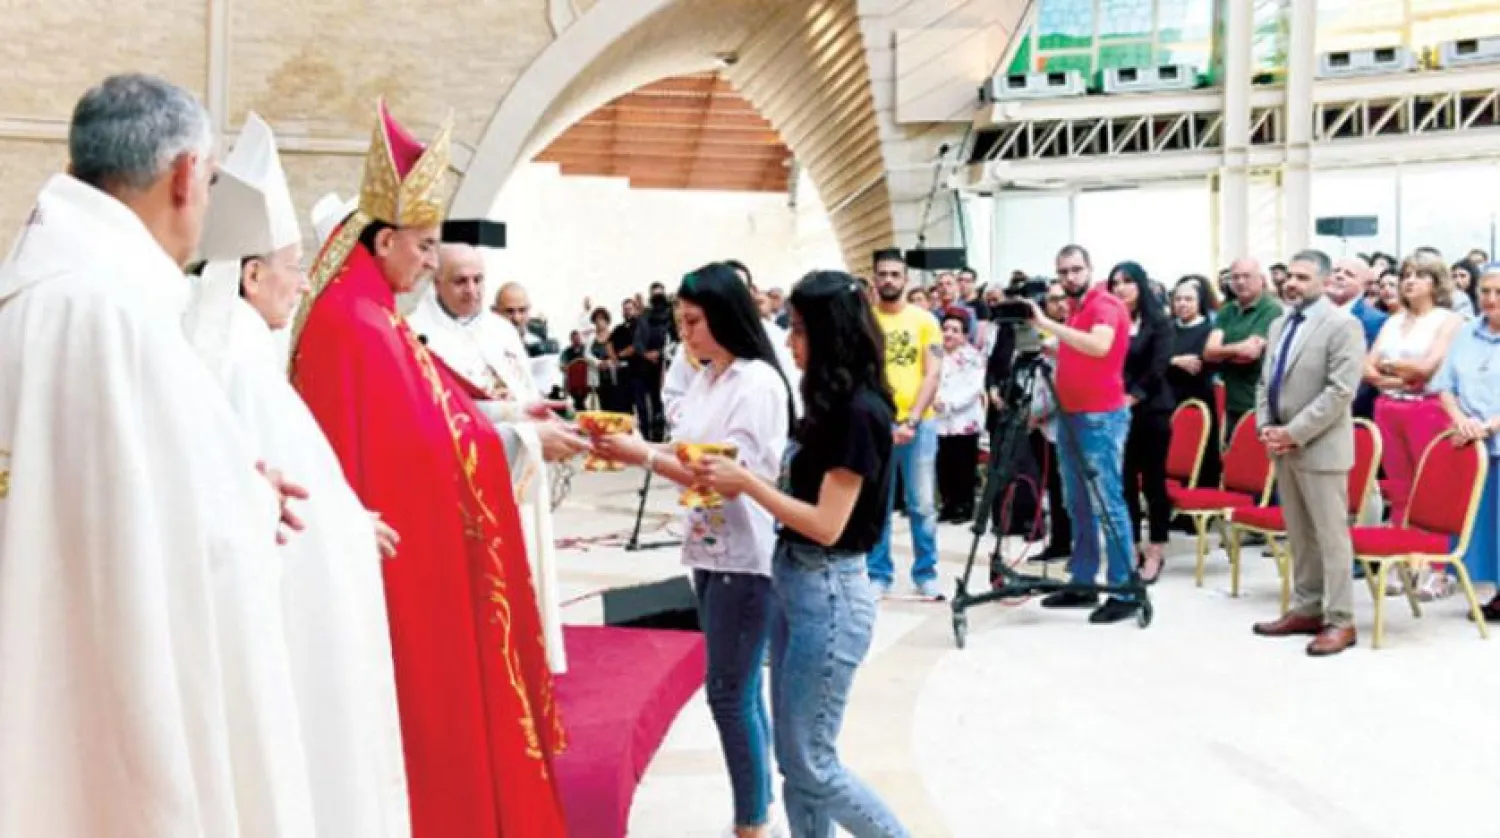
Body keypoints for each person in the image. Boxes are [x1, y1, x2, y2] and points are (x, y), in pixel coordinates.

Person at [0, 73, 315, 837]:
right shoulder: (114, 312)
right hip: (108, 677)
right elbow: (200, 534)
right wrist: (257, 499)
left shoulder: (31, 287)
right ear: (183, 175)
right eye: (207, 182)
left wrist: (232, 480)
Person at [290, 100, 566, 837]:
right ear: (383, 240)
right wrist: (512, 443)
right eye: (423, 245)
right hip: (397, 556)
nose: (432, 262)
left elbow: (439, 407)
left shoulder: (367, 304)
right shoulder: (359, 322)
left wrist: (513, 420)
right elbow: (425, 447)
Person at [181, 113, 409, 838]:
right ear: (252, 274)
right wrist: (348, 527)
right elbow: (280, 505)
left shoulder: (229, 354)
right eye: (290, 262)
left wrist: (348, 520)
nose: (302, 279)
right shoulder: (243, 369)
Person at [691, 270, 910, 838]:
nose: (790, 343)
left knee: (812, 761)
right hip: (796, 581)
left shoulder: (859, 412)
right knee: (795, 760)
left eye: (801, 332)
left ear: (832, 334)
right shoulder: (828, 401)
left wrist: (748, 484)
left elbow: (827, 525)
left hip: (830, 590)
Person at [593, 262, 794, 838]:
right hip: (710, 546)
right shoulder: (709, 376)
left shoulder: (756, 383)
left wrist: (643, 456)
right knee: (739, 688)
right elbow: (689, 451)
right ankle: (757, 808)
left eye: (694, 322)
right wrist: (635, 445)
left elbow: (727, 472)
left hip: (744, 551)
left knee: (727, 693)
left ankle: (751, 819)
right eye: (681, 322)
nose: (686, 335)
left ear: (727, 317)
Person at [1251, 250, 1366, 656]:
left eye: (1302, 277)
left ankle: (1341, 620)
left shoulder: (1342, 325)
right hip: (1281, 442)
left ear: (1323, 280)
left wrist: (1294, 432)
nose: (1292, 283)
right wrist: (1265, 425)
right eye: (1290, 276)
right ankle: (1306, 607)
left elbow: (1340, 391)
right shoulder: (1280, 322)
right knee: (1299, 533)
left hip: (1320, 446)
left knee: (1331, 536)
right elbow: (1266, 381)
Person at [1028, 244, 1140, 623]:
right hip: (1072, 415)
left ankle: (1125, 588)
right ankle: (1082, 578)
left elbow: (1099, 345)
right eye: (1063, 272)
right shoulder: (1076, 311)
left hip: (1100, 418)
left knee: (1107, 503)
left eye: (1076, 270)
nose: (1069, 278)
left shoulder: (1103, 305)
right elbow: (1082, 351)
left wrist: (1048, 325)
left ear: (1090, 269)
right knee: (1077, 504)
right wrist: (1055, 346)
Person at [868, 248, 944, 599]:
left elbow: (932, 373)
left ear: (906, 279)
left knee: (922, 504)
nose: (888, 280)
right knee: (877, 504)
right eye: (882, 274)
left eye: (895, 274)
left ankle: (925, 571)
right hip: (877, 426)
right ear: (873, 278)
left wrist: (911, 420)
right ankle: (878, 572)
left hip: (919, 424)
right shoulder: (866, 320)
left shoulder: (925, 321)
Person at [1435, 264, 1500, 618]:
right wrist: (1460, 420)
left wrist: (1489, 425)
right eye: (1485, 292)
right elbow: (1445, 385)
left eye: (1499, 293)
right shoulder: (1467, 332)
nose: (1491, 300)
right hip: (1470, 444)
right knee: (1484, 522)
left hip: (1493, 434)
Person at [1107, 262, 1175, 583]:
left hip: (1151, 410)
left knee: (1153, 482)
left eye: (1128, 282)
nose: (1121, 288)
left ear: (1141, 285)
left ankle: (1156, 548)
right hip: (1116, 409)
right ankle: (1130, 544)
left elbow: (1158, 366)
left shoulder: (1158, 321)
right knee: (1124, 481)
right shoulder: (1112, 320)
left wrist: (1132, 396)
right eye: (1115, 283)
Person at [1204, 257, 1282, 438]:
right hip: (1229, 401)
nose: (1240, 282)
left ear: (1261, 279)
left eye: (1246, 276)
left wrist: (1223, 353)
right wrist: (1235, 350)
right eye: (1235, 277)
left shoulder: (1271, 309)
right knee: (1229, 457)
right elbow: (1208, 352)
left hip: (1258, 402)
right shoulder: (1227, 310)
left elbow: (1250, 353)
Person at [934, 308, 986, 523]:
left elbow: (974, 388)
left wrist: (949, 403)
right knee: (942, 464)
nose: (948, 334)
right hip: (938, 420)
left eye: (955, 330)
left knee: (963, 465)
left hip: (964, 419)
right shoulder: (934, 353)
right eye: (945, 329)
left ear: (965, 335)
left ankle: (964, 506)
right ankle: (947, 504)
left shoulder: (973, 356)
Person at [1168, 276, 1220, 487]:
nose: (1182, 304)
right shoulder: (1166, 329)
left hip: (1199, 398)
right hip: (1168, 399)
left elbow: (1200, 363)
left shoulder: (1210, 330)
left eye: (1188, 299)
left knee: (1201, 456)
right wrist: (1173, 360)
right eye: (1178, 299)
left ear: (1199, 302)